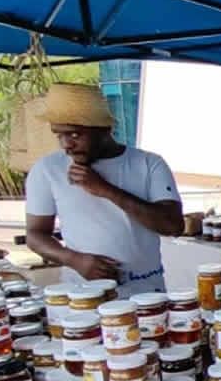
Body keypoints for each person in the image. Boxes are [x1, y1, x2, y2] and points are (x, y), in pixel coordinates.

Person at [25, 83, 183, 296]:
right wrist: (75, 260)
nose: (66, 144)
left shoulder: (148, 163)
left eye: (74, 134)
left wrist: (106, 190)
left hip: (146, 295)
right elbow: (35, 235)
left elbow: (172, 225)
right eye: (58, 135)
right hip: (82, 297)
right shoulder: (47, 169)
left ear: (104, 129)